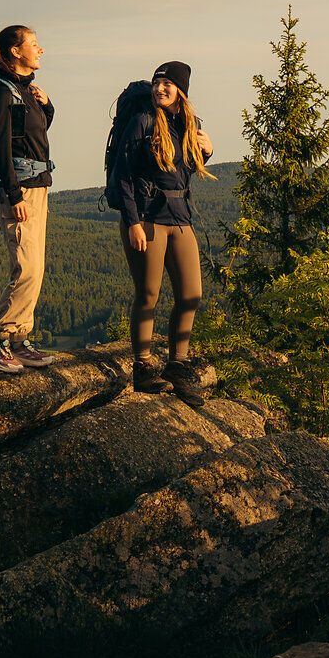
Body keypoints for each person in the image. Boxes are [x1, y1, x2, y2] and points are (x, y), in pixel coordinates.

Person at [113, 60, 214, 405]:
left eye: (168, 84)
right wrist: (133, 222)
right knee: (149, 293)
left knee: (191, 294)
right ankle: (142, 367)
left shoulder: (189, 126)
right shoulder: (143, 122)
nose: (160, 88)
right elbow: (123, 177)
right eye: (158, 83)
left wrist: (209, 151)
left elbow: (183, 170)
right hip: (148, 218)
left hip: (180, 217)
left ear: (181, 91)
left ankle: (177, 364)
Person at [0, 24, 61, 374]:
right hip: (19, 190)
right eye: (35, 44)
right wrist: (12, 195)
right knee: (26, 267)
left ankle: (19, 339)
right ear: (16, 51)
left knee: (36, 267)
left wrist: (48, 105)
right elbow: (0, 147)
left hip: (37, 186)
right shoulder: (0, 90)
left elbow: (35, 134)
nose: (40, 50)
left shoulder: (26, 91)